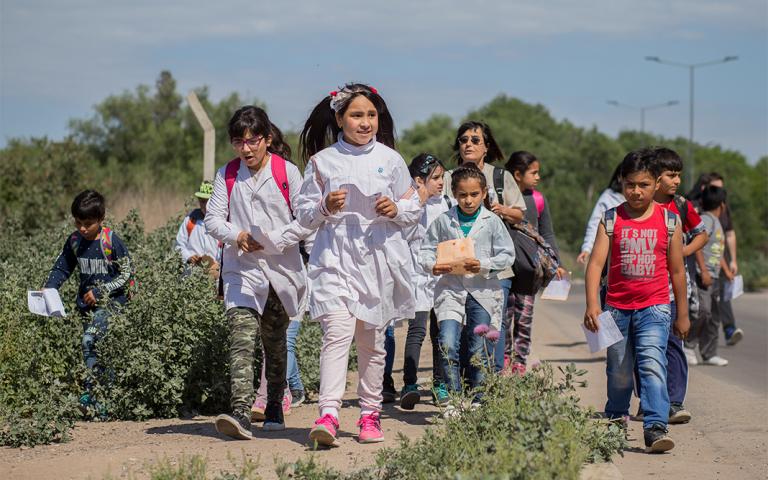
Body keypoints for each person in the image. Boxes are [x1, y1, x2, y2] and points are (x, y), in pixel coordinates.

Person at [296, 83, 421, 446]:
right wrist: (324, 208)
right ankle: (329, 414)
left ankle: (370, 415)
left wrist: (395, 209)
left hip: (378, 256)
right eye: (356, 115)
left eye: (371, 115)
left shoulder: (391, 160)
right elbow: (303, 213)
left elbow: (413, 209)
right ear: (339, 118)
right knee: (336, 334)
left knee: (371, 341)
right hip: (334, 253)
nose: (365, 122)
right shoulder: (322, 163)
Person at [206, 106, 312, 440]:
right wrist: (236, 236)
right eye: (239, 142)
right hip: (242, 271)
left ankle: (275, 407)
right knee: (241, 339)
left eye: (253, 141)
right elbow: (212, 219)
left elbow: (305, 219)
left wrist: (279, 239)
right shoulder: (227, 175)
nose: (246, 149)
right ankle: (239, 413)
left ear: (266, 139)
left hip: (282, 272)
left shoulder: (288, 173)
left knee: (275, 343)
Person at [583, 148, 689, 454]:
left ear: (656, 183)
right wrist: (593, 304)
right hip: (616, 309)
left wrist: (682, 313)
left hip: (656, 308)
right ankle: (616, 416)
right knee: (617, 368)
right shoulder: (611, 219)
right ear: (621, 182)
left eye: (643, 184)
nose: (636, 191)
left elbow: (678, 271)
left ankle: (655, 426)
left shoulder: (669, 221)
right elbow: (594, 265)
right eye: (630, 184)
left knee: (653, 365)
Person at [420, 164, 515, 409]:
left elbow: (507, 255)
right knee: (448, 342)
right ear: (454, 194)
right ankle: (453, 400)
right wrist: (434, 265)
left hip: (482, 292)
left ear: (484, 193)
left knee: (477, 348)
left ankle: (478, 400)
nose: (469, 200)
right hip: (451, 289)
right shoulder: (444, 221)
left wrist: (482, 264)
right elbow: (426, 250)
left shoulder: (492, 221)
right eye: (463, 195)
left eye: (474, 194)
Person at [442, 121, 525, 372]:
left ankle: (492, 383)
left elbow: (520, 213)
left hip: (495, 268)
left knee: (493, 325)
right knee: (461, 326)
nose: (468, 144)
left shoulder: (500, 177)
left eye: (475, 140)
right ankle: (467, 381)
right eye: (463, 140)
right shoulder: (447, 177)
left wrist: (500, 210)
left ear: (486, 147)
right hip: (457, 267)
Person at [44, 190, 133, 414]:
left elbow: (126, 274)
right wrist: (50, 287)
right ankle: (96, 396)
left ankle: (101, 397)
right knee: (92, 350)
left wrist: (101, 290)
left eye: (88, 223)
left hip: (113, 305)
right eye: (78, 222)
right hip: (87, 307)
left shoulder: (110, 240)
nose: (82, 228)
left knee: (90, 340)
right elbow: (62, 267)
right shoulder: (74, 241)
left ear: (101, 220)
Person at [397, 153, 452, 410]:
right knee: (417, 330)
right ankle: (409, 384)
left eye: (443, 177)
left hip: (443, 278)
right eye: (436, 178)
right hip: (418, 277)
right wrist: (418, 200)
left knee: (440, 333)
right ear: (420, 180)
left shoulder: (448, 203)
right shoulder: (409, 203)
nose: (441, 183)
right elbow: (403, 235)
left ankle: (440, 384)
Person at [503, 151, 566, 375]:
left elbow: (547, 233)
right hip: (504, 269)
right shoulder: (501, 199)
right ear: (517, 174)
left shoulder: (537, 200)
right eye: (534, 172)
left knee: (524, 317)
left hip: (530, 270)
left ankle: (520, 361)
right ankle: (504, 358)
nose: (538, 177)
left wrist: (555, 261)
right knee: (504, 317)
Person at [686, 173, 742, 345]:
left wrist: (727, 267)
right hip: (703, 273)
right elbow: (699, 245)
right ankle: (689, 343)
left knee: (714, 312)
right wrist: (703, 270)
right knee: (703, 311)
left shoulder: (718, 219)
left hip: (716, 270)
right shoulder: (704, 217)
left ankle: (710, 349)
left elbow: (722, 245)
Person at [576, 164, 625, 265]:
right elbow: (595, 223)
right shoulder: (608, 198)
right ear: (619, 177)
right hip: (611, 256)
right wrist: (587, 248)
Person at [174, 180, 221, 275]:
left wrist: (219, 266)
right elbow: (178, 246)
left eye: (209, 201)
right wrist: (188, 257)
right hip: (191, 279)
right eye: (202, 201)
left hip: (216, 280)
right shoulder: (190, 219)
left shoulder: (224, 223)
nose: (205, 206)